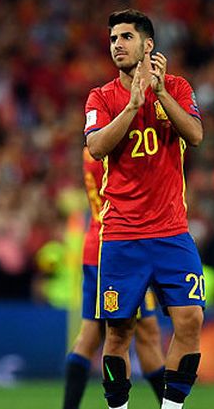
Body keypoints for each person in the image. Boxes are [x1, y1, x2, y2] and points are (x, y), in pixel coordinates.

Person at [84, 9, 204, 409]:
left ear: (148, 45)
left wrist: (160, 94)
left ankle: (171, 408)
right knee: (118, 333)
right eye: (113, 38)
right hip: (122, 235)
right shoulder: (100, 97)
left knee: (190, 320)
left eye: (126, 37)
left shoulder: (178, 87)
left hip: (171, 231)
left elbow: (196, 135)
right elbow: (97, 147)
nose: (117, 44)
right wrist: (133, 105)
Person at [62, 147, 165, 409]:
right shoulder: (116, 151)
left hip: (95, 246)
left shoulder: (90, 149)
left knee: (90, 335)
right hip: (120, 249)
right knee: (144, 334)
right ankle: (169, 404)